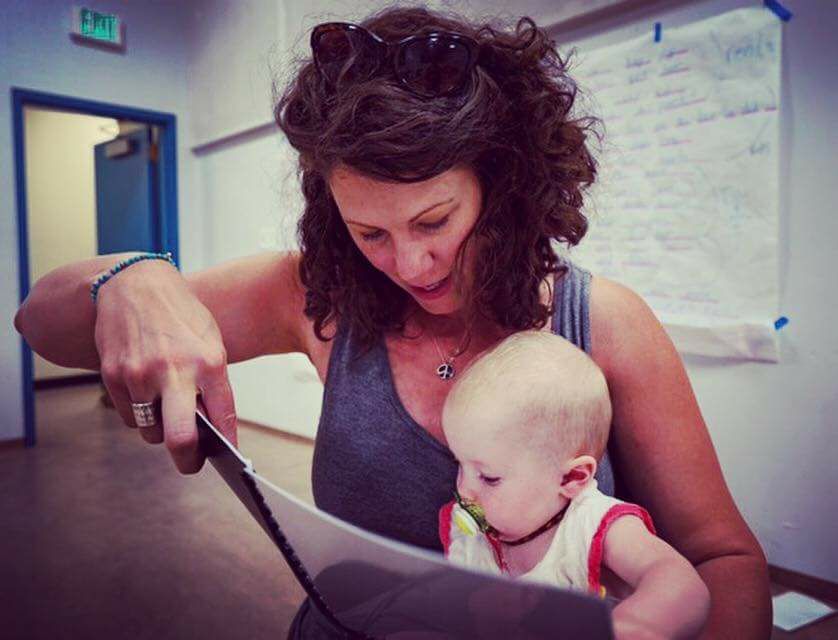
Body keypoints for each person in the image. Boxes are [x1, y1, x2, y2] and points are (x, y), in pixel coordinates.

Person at [14, 6, 770, 639]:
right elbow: (41, 324)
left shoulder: (603, 322)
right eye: (369, 233)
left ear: (504, 184)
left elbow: (724, 562)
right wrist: (131, 279)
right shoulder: (317, 294)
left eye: (435, 220)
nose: (410, 264)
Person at [439, 331, 711, 638]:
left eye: (489, 477)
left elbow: (682, 586)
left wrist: (629, 627)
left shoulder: (590, 524)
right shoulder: (473, 537)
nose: (464, 490)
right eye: (459, 464)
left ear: (572, 478)